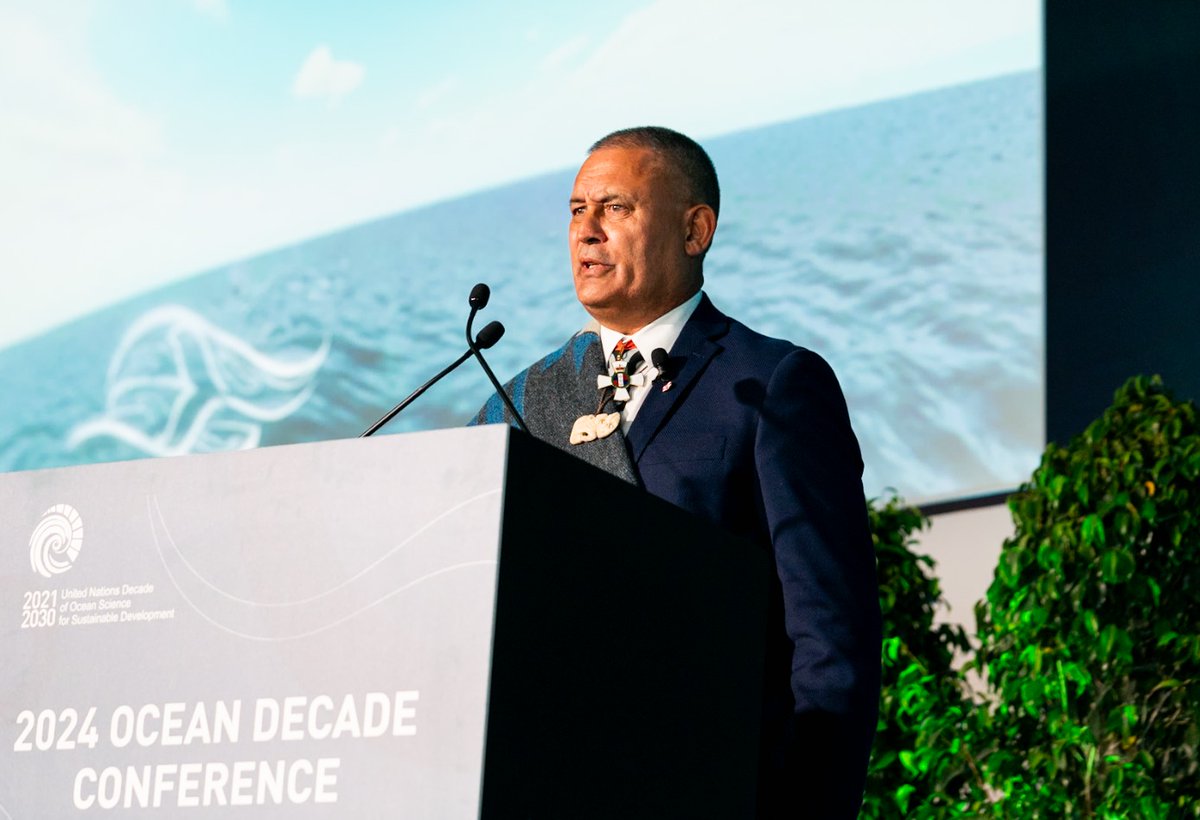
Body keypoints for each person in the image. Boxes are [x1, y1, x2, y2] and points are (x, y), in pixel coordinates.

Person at [473, 126, 881, 818]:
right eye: (577, 211)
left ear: (695, 230)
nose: (587, 232)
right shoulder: (515, 403)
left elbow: (831, 643)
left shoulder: (772, 384)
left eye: (616, 208)